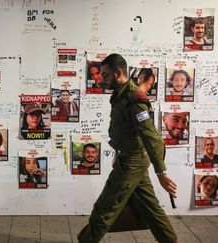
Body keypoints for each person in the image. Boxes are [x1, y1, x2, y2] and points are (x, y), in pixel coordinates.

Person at [78, 54, 177, 243]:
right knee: (149, 207)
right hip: (131, 157)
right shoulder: (121, 94)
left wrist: (161, 172)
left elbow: (150, 135)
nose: (102, 79)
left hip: (132, 161)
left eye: (106, 75)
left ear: (118, 73)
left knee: (106, 206)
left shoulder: (134, 98)